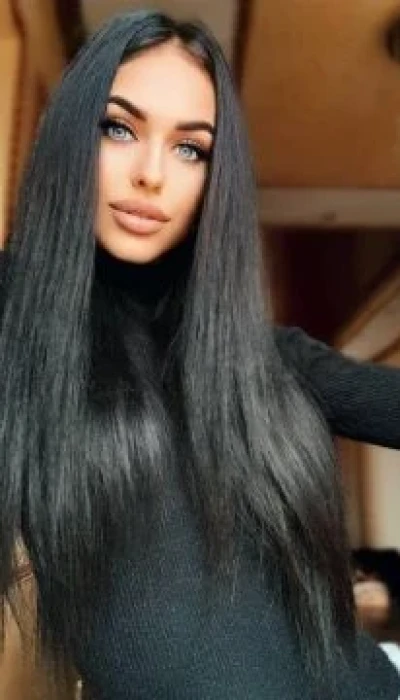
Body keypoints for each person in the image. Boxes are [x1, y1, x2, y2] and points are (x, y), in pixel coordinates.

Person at [0, 9, 399, 700]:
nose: (152, 173)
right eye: (118, 128)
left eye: (191, 149)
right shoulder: (19, 315)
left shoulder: (267, 358)